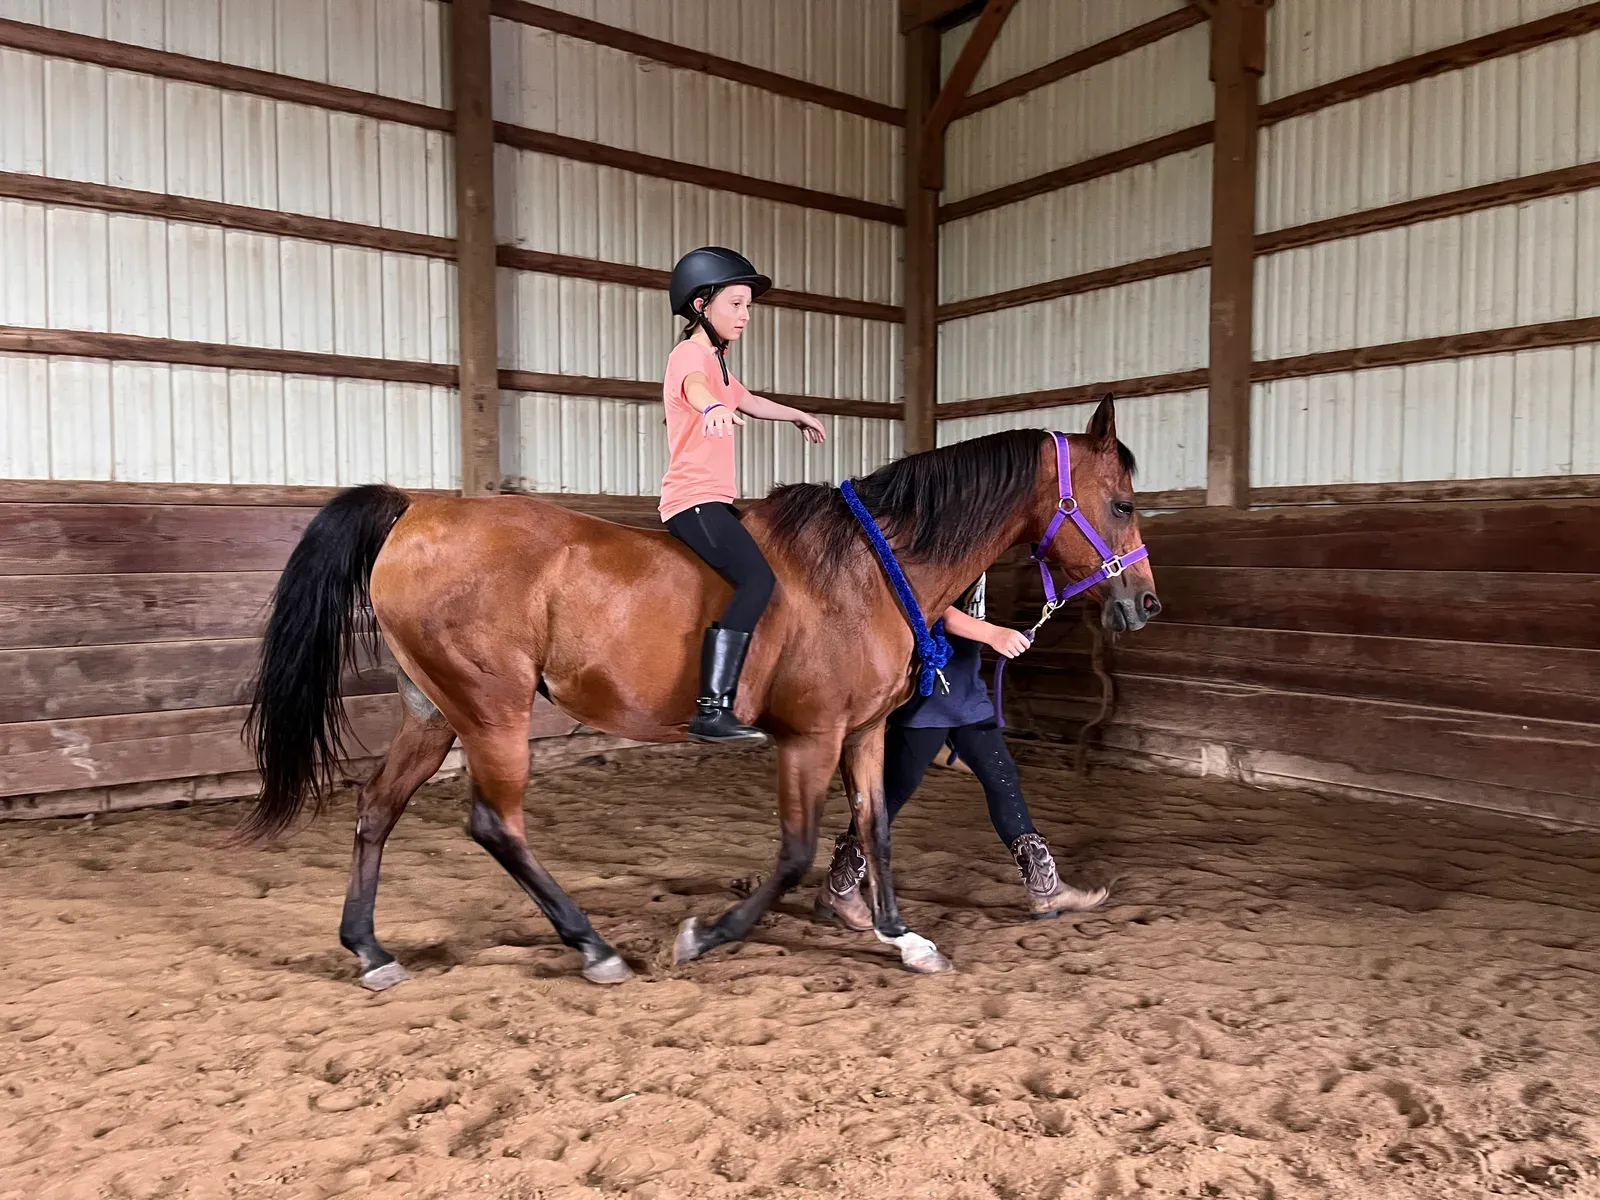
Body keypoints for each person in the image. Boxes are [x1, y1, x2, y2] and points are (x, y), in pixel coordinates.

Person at [813, 574, 1109, 921]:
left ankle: (1046, 890)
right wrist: (993, 634)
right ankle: (840, 887)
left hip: (965, 691)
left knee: (1003, 780)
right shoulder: (943, 540)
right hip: (932, 693)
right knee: (892, 791)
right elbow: (931, 601)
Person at [662, 246, 828, 743]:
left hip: (716, 499)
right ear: (701, 306)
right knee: (758, 582)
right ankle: (712, 709)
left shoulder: (719, 360)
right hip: (692, 500)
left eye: (748, 306)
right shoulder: (691, 355)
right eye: (735, 303)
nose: (745, 315)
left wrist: (796, 413)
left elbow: (747, 400)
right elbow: (694, 387)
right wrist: (710, 406)